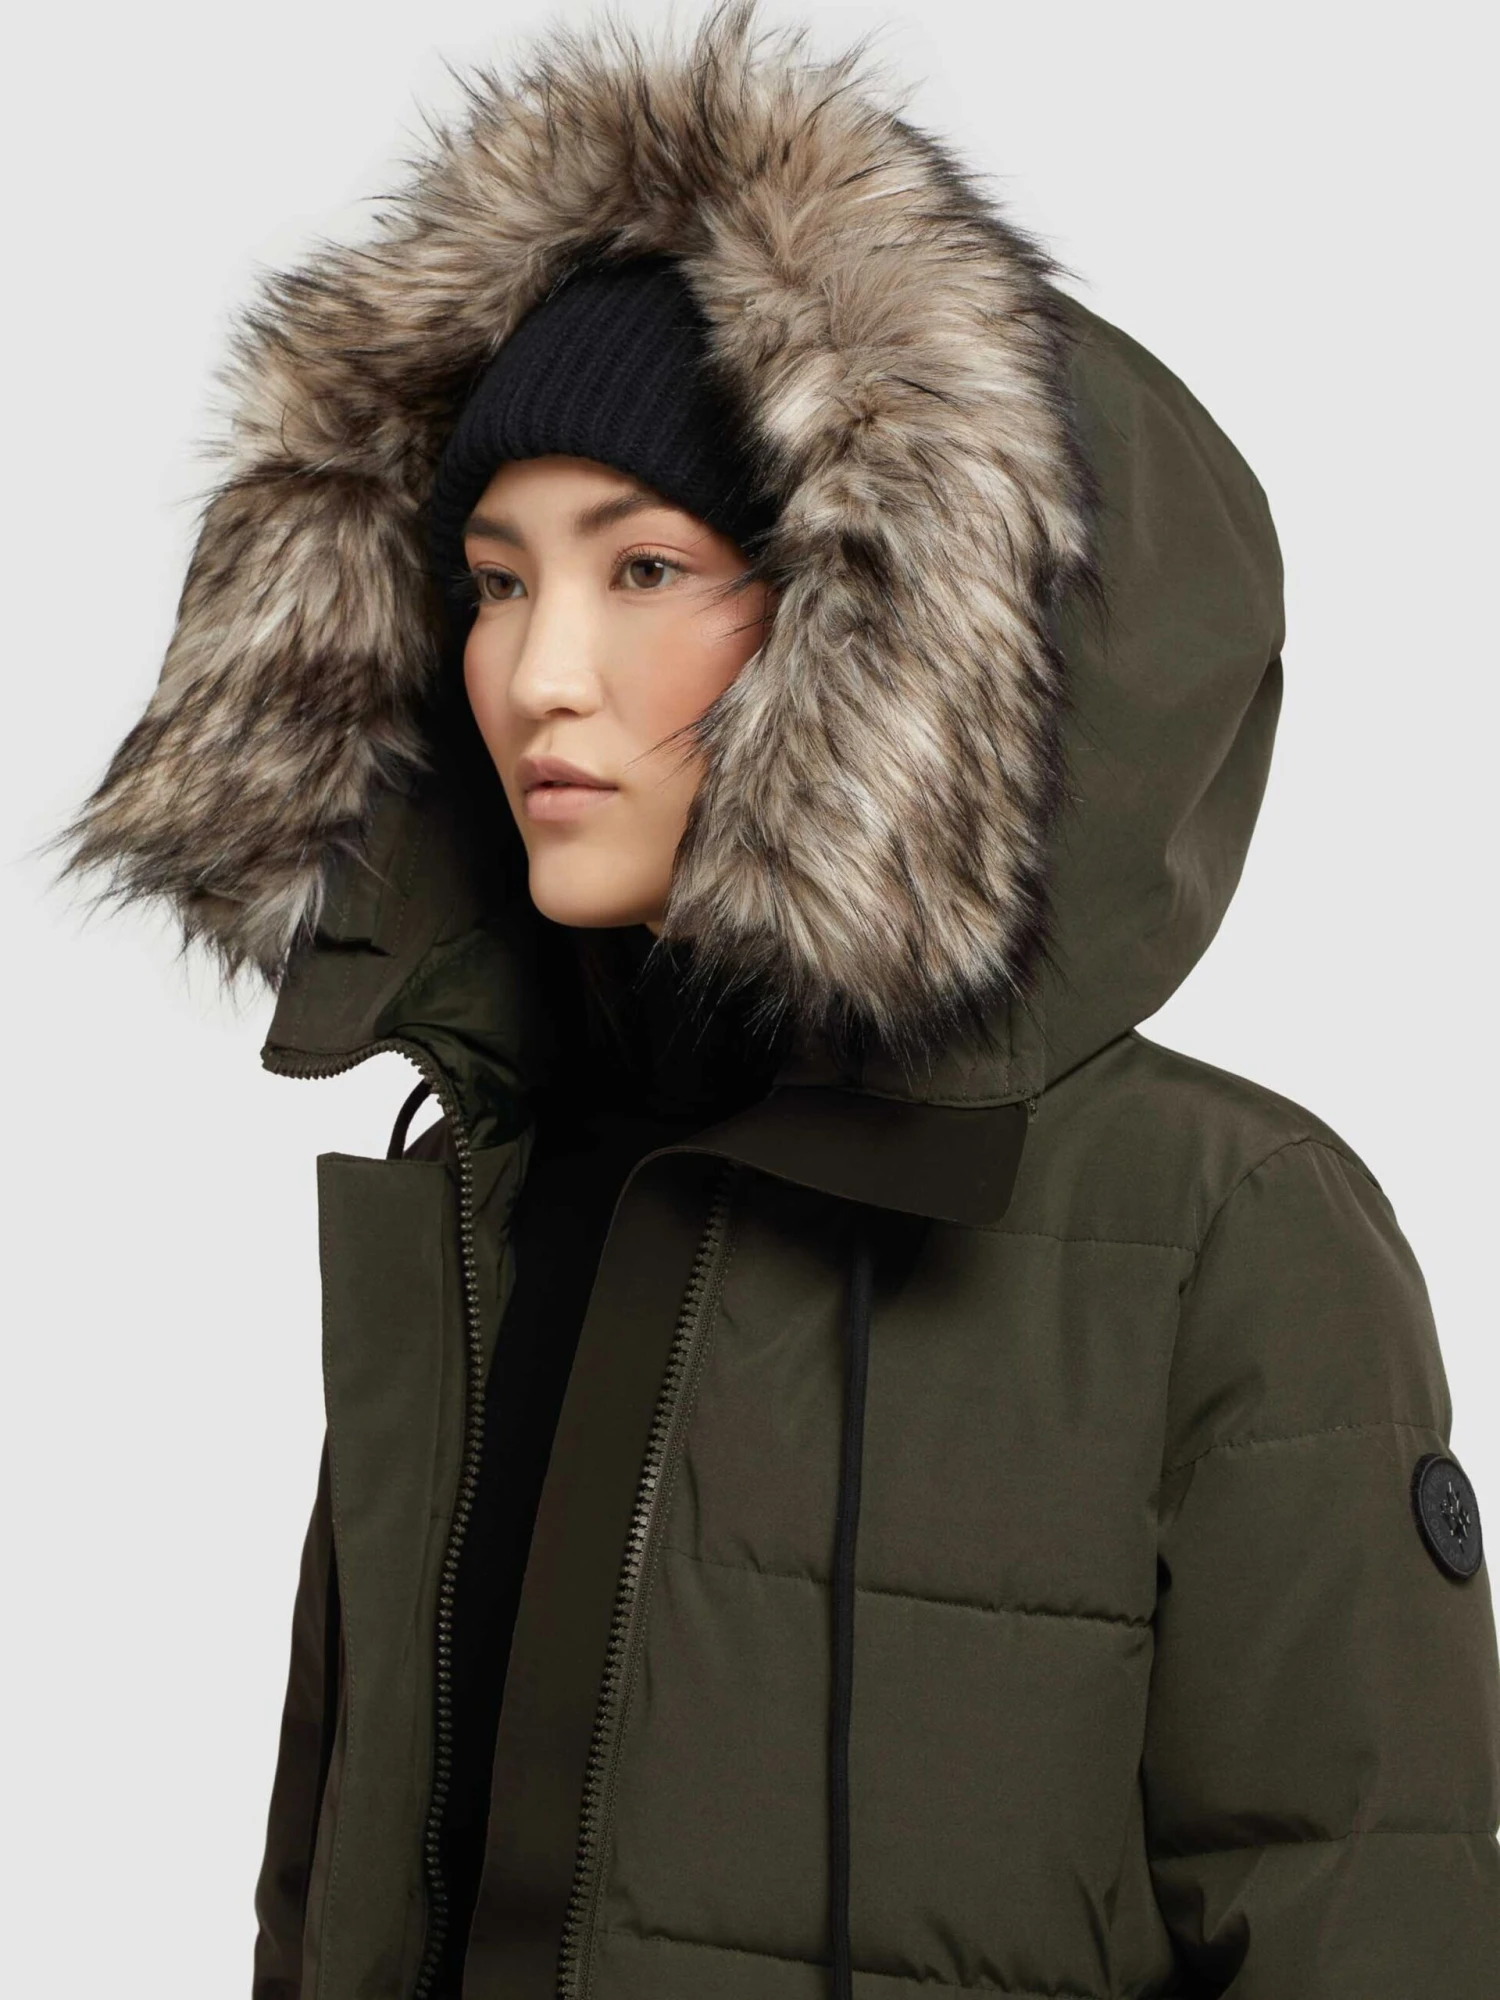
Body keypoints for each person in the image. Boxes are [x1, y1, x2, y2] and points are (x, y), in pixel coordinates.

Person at [55, 3, 1500, 1996]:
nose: (540, 674)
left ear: (878, 634)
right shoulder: (481, 1172)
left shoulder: (1220, 1233)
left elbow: (1369, 1918)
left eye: (643, 570)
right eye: (495, 579)